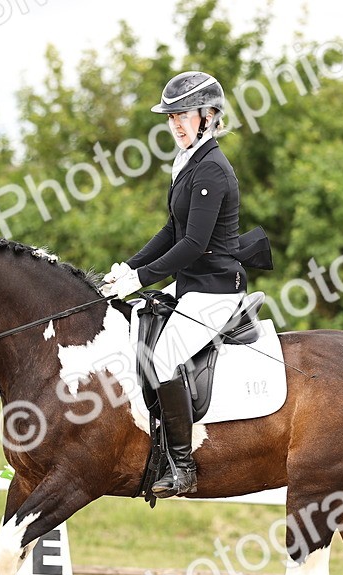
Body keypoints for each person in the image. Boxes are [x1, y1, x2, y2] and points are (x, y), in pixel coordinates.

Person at [101, 71, 247, 499]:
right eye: (172, 117)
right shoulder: (187, 162)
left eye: (183, 115)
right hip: (190, 286)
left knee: (163, 361)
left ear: (208, 117)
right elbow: (170, 230)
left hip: (215, 289)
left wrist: (141, 279)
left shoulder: (213, 169)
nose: (176, 124)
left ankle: (182, 466)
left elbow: (193, 245)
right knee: (133, 336)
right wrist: (127, 268)